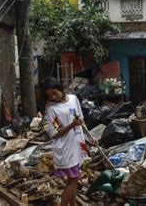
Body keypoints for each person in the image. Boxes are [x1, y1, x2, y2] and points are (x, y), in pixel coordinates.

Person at [42, 77, 87, 206]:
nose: (53, 97)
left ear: (60, 88)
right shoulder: (52, 110)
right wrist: (72, 125)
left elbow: (81, 121)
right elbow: (55, 133)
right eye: (49, 96)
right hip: (65, 148)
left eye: (54, 93)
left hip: (77, 144)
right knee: (73, 181)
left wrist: (89, 138)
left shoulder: (73, 99)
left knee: (72, 180)